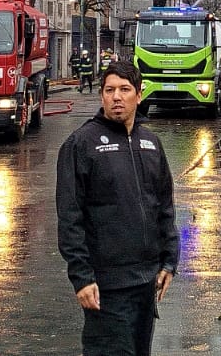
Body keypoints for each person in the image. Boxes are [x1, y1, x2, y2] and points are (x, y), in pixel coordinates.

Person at [56, 60, 179, 356]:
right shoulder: (81, 145)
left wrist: (169, 261)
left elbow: (164, 205)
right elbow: (70, 217)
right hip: (105, 287)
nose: (116, 97)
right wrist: (82, 277)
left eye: (125, 89)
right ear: (101, 96)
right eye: (109, 90)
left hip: (146, 284)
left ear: (139, 94)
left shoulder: (150, 142)